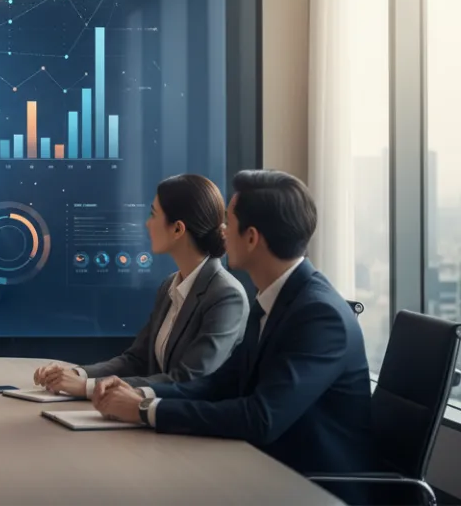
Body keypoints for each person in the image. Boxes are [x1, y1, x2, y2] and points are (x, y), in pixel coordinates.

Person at [92, 170, 372, 476]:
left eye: (229, 221)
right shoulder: (273, 299)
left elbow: (260, 418)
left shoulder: (319, 316)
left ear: (251, 238)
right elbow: (220, 383)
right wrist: (141, 395)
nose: (221, 231)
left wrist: (145, 411)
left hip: (311, 486)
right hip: (263, 469)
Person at [34, 174, 247, 397]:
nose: (147, 223)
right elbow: (137, 359)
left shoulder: (226, 295)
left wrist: (88, 388)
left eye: (153, 215)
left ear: (177, 229)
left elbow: (189, 378)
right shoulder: (169, 286)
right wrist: (78, 374)